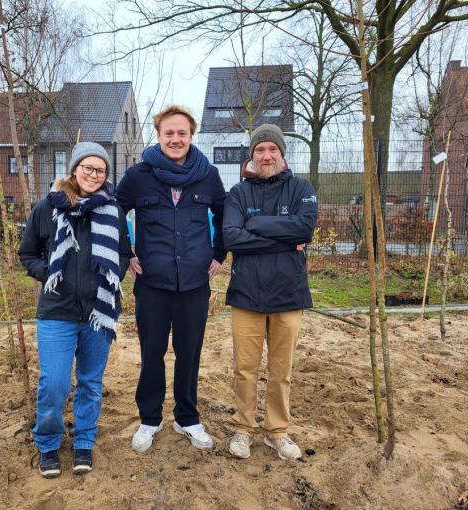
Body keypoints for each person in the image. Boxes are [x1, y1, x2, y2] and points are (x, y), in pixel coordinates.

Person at [115, 105, 227, 452]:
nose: (175, 139)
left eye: (182, 133)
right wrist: (127, 251)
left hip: (194, 283)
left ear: (191, 136)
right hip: (152, 284)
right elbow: (115, 211)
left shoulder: (208, 175)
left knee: (189, 353)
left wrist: (219, 254)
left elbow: (225, 214)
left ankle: (187, 418)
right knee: (152, 353)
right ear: (159, 135)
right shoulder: (138, 175)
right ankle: (150, 419)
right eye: (169, 133)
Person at [19, 142, 132, 478]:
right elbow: (28, 254)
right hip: (57, 311)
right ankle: (49, 443)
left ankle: (84, 441)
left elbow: (124, 253)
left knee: (90, 383)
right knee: (54, 383)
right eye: (88, 167)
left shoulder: (113, 211)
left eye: (100, 170)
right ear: (74, 168)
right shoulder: (47, 208)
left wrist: (112, 276)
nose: (94, 175)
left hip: (99, 312)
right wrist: (50, 275)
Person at [222, 124, 317, 461]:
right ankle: (243, 428)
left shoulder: (301, 188)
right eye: (259, 150)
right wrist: (284, 238)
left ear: (282, 154)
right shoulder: (238, 193)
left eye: (271, 150)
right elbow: (231, 238)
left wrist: (255, 225)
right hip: (246, 295)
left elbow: (305, 227)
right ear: (252, 156)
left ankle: (277, 431)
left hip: (289, 295)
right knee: (245, 368)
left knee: (281, 370)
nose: (266, 156)